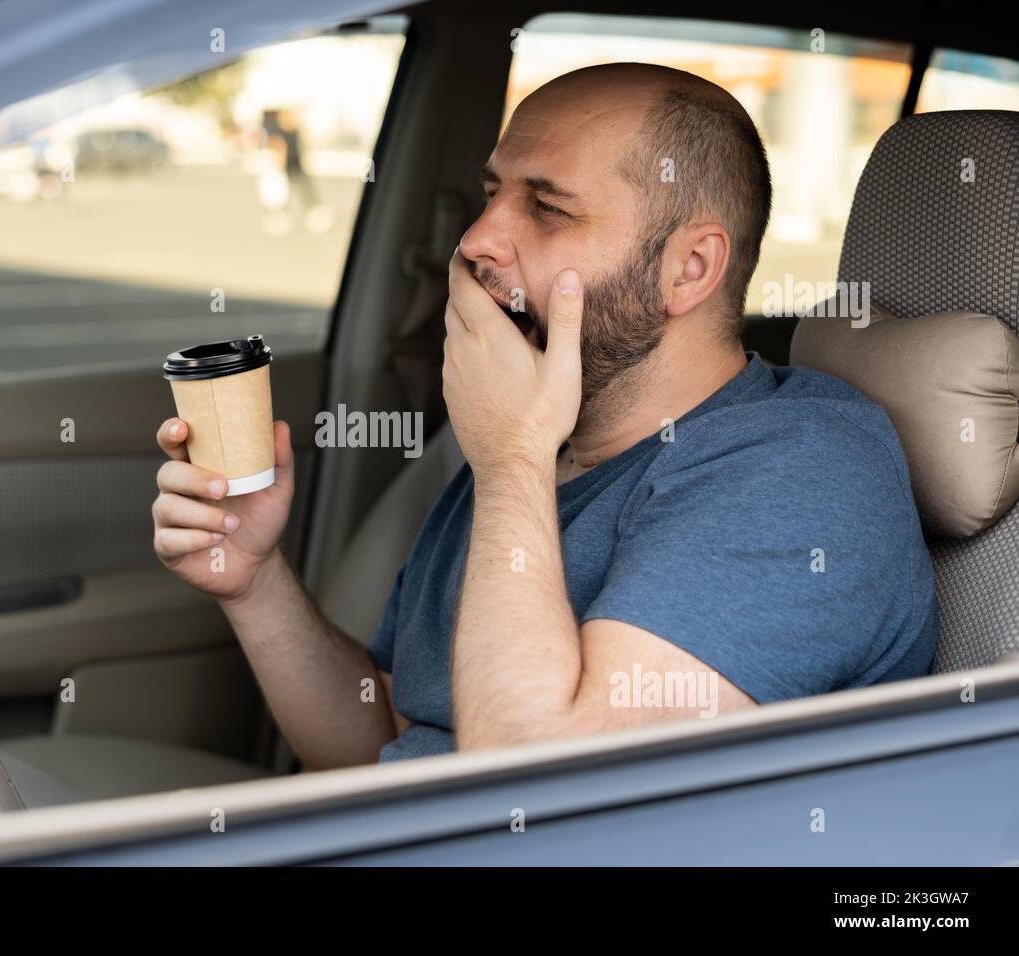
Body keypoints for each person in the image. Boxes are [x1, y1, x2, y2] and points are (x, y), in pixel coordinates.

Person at [151, 63, 938, 767]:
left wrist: (512, 458)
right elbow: (387, 734)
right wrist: (254, 582)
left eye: (549, 209)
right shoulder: (534, 452)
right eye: (495, 194)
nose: (478, 239)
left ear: (689, 269)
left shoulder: (803, 471)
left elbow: (538, 792)